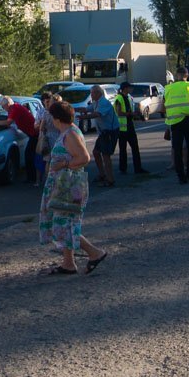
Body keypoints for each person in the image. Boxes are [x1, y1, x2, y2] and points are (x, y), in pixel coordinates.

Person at [39, 100, 108, 275]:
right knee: (63, 222)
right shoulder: (67, 132)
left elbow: (84, 158)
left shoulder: (70, 134)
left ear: (57, 118)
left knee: (65, 223)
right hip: (64, 185)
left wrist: (63, 164)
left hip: (69, 186)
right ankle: (68, 263)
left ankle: (95, 253)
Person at [162, 67, 189, 185]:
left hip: (175, 121)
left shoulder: (168, 88)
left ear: (176, 75)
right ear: (187, 75)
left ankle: (181, 175)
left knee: (177, 148)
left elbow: (163, 108)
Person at [0, 96, 39, 185]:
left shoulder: (15, 109)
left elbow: (8, 122)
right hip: (31, 134)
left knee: (29, 156)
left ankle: (33, 178)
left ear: (8, 104)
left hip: (34, 134)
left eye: (3, 106)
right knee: (29, 155)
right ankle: (32, 177)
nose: (3, 108)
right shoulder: (13, 109)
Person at [113, 82, 148, 175]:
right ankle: (123, 169)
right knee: (123, 149)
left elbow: (130, 110)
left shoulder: (128, 97)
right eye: (129, 87)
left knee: (135, 148)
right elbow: (119, 112)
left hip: (129, 126)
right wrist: (131, 114)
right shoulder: (119, 98)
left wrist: (137, 115)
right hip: (122, 129)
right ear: (125, 88)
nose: (131, 89)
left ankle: (138, 168)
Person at [87, 85, 119, 187]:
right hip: (103, 133)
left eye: (92, 93)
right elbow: (87, 109)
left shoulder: (104, 102)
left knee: (106, 155)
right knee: (96, 152)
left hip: (110, 132)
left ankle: (110, 180)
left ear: (98, 93)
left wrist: (84, 117)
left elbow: (97, 114)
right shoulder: (96, 102)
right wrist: (72, 109)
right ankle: (102, 174)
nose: (91, 95)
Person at [35, 92, 63, 186]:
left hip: (48, 138)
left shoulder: (46, 113)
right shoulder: (61, 114)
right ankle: (58, 181)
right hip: (59, 137)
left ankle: (49, 182)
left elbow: (41, 128)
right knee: (59, 160)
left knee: (48, 160)